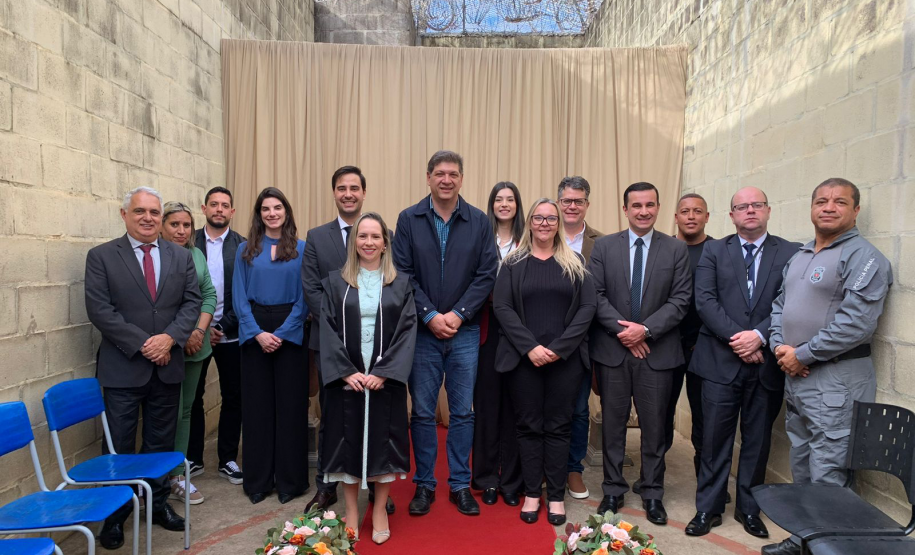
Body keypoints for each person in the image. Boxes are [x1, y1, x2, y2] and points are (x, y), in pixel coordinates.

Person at [763, 178, 893, 555]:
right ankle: (805, 539)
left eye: (840, 202)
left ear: (856, 210)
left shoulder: (865, 257)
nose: (829, 207)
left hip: (836, 380)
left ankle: (828, 547)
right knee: (803, 464)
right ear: (812, 207)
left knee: (829, 473)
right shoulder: (802, 254)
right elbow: (779, 307)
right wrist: (779, 347)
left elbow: (856, 324)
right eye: (821, 201)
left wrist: (801, 355)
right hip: (797, 379)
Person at [85, 186, 201, 550]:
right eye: (140, 211)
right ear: (124, 215)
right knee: (118, 445)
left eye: (154, 212)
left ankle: (158, 504)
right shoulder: (102, 256)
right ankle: (115, 516)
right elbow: (100, 310)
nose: (148, 218)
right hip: (123, 368)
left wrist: (169, 339)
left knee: (160, 444)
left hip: (167, 366)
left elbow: (192, 303)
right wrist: (145, 344)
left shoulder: (180, 256)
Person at [684, 188, 800, 538]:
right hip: (719, 361)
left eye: (756, 205)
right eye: (742, 207)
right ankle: (708, 508)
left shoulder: (791, 252)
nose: (750, 211)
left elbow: (790, 301)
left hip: (765, 365)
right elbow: (705, 301)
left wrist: (759, 336)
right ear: (732, 215)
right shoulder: (715, 250)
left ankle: (750, 509)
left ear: (768, 210)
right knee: (714, 440)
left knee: (757, 441)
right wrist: (740, 339)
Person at [392, 150, 499, 517]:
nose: (446, 180)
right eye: (439, 173)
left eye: (453, 174)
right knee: (422, 413)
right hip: (422, 333)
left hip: (465, 332)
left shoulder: (479, 221)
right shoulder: (408, 219)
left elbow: (486, 274)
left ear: (461, 179)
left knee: (463, 413)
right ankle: (424, 484)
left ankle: (459, 485)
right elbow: (402, 274)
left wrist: (457, 314)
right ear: (428, 177)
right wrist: (429, 316)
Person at [589, 182, 691, 525]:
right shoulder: (604, 247)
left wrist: (644, 330)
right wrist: (626, 332)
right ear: (625, 209)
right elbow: (596, 295)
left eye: (650, 205)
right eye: (636, 205)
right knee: (612, 426)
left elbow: (680, 300)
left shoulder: (676, 249)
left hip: (657, 353)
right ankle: (613, 489)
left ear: (658, 208)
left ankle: (652, 492)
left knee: (655, 427)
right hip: (613, 352)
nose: (643, 211)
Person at [493, 198, 596, 525]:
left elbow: (587, 308)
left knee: (559, 427)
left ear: (558, 224)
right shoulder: (513, 263)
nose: (544, 223)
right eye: (538, 218)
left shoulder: (575, 262)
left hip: (566, 362)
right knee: (528, 426)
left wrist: (559, 348)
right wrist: (530, 348)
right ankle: (532, 493)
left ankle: (555, 497)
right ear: (530, 222)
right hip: (524, 361)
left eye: (551, 218)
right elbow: (502, 307)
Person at [319, 212, 417, 545]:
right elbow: (327, 327)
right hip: (348, 377)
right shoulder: (335, 282)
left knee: (383, 444)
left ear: (385, 243)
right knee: (346, 442)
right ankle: (350, 511)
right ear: (353, 241)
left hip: (382, 379)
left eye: (376, 236)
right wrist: (346, 371)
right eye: (363, 236)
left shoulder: (400, 284)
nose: (369, 242)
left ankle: (378, 511)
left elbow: (407, 330)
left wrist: (385, 372)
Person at [303, 166, 393, 515]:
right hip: (331, 345)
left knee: (377, 419)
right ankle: (326, 487)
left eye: (355, 187)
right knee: (333, 418)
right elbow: (312, 289)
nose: (348, 193)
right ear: (334, 193)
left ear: (364, 192)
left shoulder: (386, 234)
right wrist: (340, 329)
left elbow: (392, 287)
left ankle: (380, 487)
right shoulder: (316, 237)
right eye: (342, 188)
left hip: (376, 346)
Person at [233, 187, 309, 505]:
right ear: (259, 214)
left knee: (291, 407)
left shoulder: (302, 249)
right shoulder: (245, 249)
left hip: (291, 328)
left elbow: (306, 295)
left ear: (286, 212)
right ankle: (258, 481)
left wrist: (285, 331)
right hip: (255, 330)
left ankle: (291, 481)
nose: (272, 213)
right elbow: (238, 295)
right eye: (266, 209)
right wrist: (257, 333)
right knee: (257, 408)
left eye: (277, 207)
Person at [159, 201, 218, 506]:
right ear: (162, 226)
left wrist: (198, 332)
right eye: (174, 224)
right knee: (163, 412)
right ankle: (157, 478)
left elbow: (209, 294)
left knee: (185, 411)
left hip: (196, 346)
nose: (181, 231)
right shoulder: (154, 255)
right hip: (165, 348)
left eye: (186, 225)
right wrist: (180, 337)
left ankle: (177, 477)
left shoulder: (196, 255)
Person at [472, 182, 525, 507]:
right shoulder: (481, 238)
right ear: (491, 204)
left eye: (510, 199)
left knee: (516, 406)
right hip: (486, 328)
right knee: (487, 405)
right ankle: (487, 478)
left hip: (520, 330)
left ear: (518, 205)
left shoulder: (528, 240)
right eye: (499, 199)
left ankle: (512, 481)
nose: (504, 204)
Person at [188, 186, 246, 486]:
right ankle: (193, 459)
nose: (219, 209)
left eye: (225, 205)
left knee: (233, 396)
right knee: (193, 396)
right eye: (214, 204)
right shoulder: (189, 242)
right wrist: (200, 329)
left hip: (231, 334)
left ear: (232, 211)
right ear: (204, 208)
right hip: (195, 335)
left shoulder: (243, 246)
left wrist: (220, 327)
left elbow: (245, 294)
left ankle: (227, 459)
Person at [658, 194, 713, 489]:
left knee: (704, 416)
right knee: (660, 413)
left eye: (697, 211)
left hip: (704, 348)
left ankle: (706, 478)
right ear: (676, 217)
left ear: (707, 217)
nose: (691, 216)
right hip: (665, 344)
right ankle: (654, 474)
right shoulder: (663, 250)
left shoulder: (718, 251)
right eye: (685, 211)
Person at [557, 176, 604, 500]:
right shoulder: (542, 234)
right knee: (544, 408)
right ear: (559, 203)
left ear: (587, 204)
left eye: (578, 201)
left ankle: (573, 469)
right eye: (567, 201)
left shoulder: (603, 243)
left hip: (584, 341)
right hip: (544, 338)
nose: (572, 206)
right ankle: (546, 467)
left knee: (578, 410)